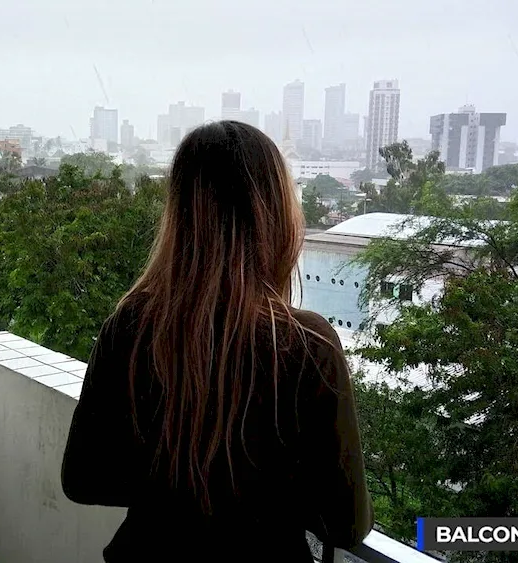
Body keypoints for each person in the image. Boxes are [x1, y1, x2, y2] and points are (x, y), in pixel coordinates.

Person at [61, 120, 373, 563]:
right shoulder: (306, 345)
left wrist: (177, 482)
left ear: (180, 215)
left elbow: (85, 478)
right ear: (276, 214)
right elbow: (347, 523)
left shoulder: (130, 325)